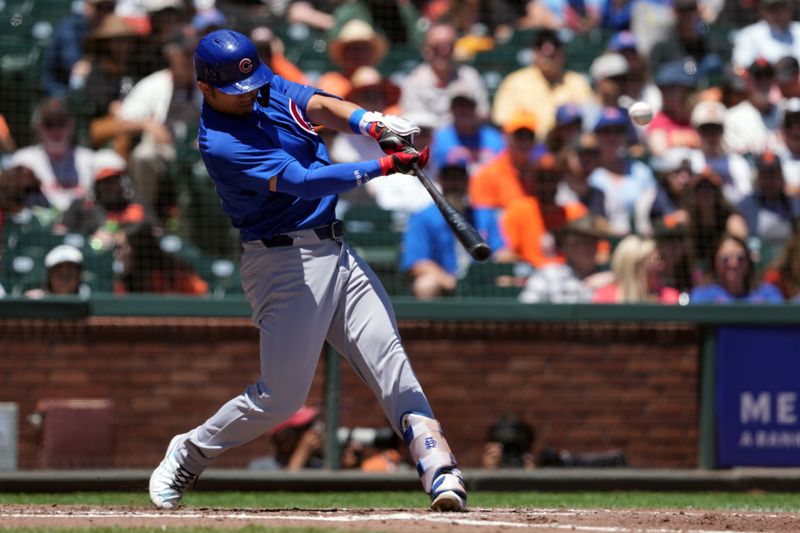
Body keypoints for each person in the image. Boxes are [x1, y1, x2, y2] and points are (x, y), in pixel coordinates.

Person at [147, 29, 466, 513]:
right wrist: (382, 166)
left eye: (252, 83)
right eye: (235, 92)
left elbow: (318, 104)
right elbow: (303, 182)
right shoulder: (221, 141)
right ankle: (190, 450)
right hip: (282, 263)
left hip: (335, 250)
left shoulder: (260, 83)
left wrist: (370, 122)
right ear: (206, 88)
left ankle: (440, 471)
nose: (250, 95)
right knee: (281, 398)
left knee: (390, 361)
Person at [491, 28, 594, 141]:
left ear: (563, 52)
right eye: (540, 45)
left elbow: (589, 122)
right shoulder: (514, 82)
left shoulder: (577, 82)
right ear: (533, 52)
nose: (548, 50)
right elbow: (502, 122)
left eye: (555, 44)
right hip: (528, 149)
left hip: (568, 149)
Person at [400, 164, 471, 299]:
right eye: (449, 178)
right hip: (444, 283)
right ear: (440, 180)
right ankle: (426, 321)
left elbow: (499, 251)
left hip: (481, 281)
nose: (454, 184)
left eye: (459, 179)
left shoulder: (482, 215)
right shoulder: (424, 216)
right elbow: (416, 263)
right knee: (425, 284)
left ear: (467, 181)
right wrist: (450, 281)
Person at [11, 98, 95, 212]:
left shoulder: (89, 160)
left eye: (61, 123)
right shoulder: (23, 160)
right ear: (39, 127)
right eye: (49, 124)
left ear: (71, 126)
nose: (56, 130)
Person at [399, 22, 490, 124]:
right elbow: (414, 122)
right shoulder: (414, 82)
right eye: (437, 47)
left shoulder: (470, 76)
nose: (444, 51)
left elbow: (483, 113)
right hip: (429, 138)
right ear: (426, 49)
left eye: (449, 46)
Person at [518, 214, 610, 303]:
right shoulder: (548, 275)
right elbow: (525, 310)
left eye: (591, 242)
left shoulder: (609, 277)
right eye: (579, 243)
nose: (586, 248)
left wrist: (615, 279)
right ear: (565, 246)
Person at [41, 0, 117, 98]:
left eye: (109, 8)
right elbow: (77, 66)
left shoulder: (109, 29)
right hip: (59, 89)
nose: (104, 13)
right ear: (87, 6)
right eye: (100, 8)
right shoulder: (70, 28)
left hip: (98, 87)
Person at [115, 223, 208, 295]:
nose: (118, 254)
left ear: (137, 249)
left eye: (122, 247)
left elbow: (202, 296)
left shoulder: (175, 274)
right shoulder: (124, 283)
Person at [690, 233, 784, 303]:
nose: (733, 264)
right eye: (726, 259)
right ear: (715, 262)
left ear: (748, 262)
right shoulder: (703, 294)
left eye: (740, 258)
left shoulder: (766, 292)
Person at [592, 234, 680, 303]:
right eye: (655, 261)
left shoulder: (669, 297)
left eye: (660, 259)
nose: (662, 267)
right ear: (634, 266)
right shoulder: (604, 297)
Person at [731, 0, 800, 69]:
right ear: (762, 11)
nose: (779, 13)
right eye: (773, 9)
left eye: (783, 7)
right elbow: (741, 67)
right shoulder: (748, 35)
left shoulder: (798, 30)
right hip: (765, 79)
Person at [24, 244, 90, 299]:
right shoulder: (36, 300)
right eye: (60, 274)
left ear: (78, 276)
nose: (65, 280)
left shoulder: (89, 299)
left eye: (69, 275)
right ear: (49, 276)